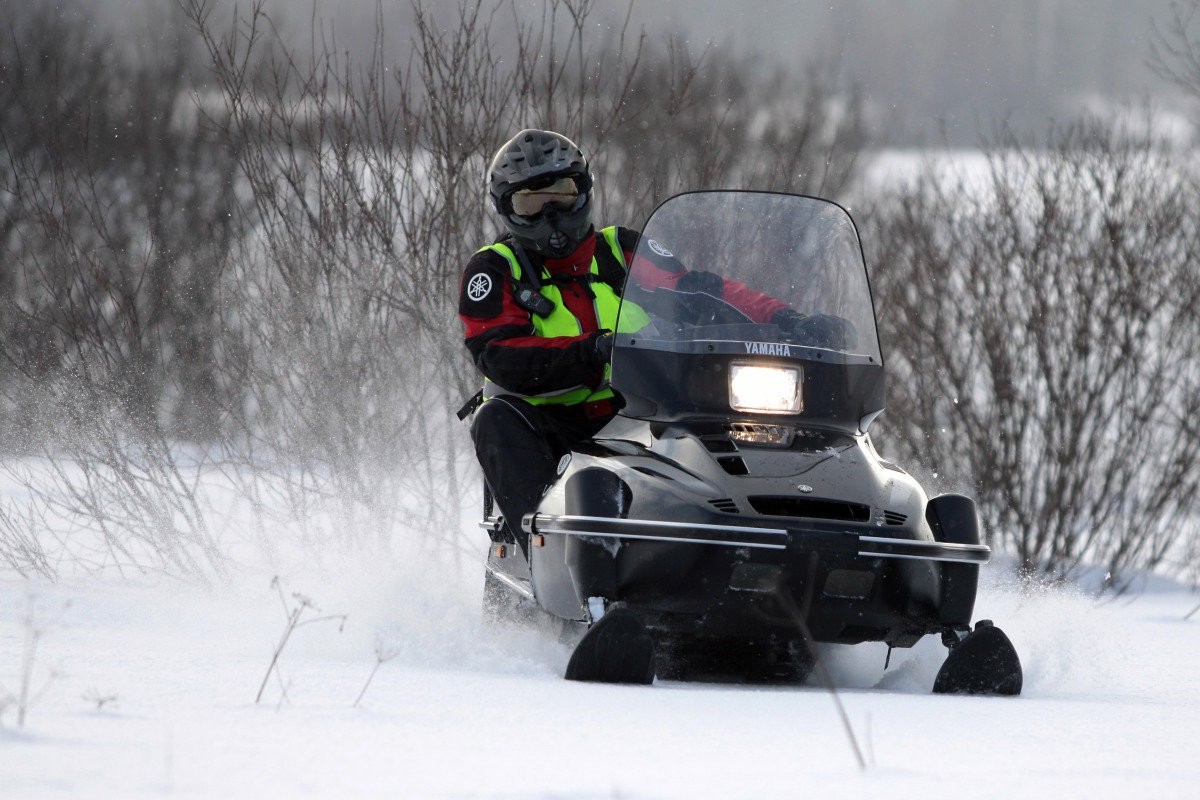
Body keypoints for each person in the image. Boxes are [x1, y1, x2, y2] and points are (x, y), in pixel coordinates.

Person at [458, 129, 852, 555]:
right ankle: (548, 555)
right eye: (531, 204)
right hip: (554, 424)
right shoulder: (497, 269)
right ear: (507, 210)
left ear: (584, 191)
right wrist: (590, 351)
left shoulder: (619, 251)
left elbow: (700, 293)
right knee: (493, 418)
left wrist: (788, 320)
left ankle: (772, 536)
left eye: (561, 194)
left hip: (639, 411)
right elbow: (496, 352)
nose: (550, 214)